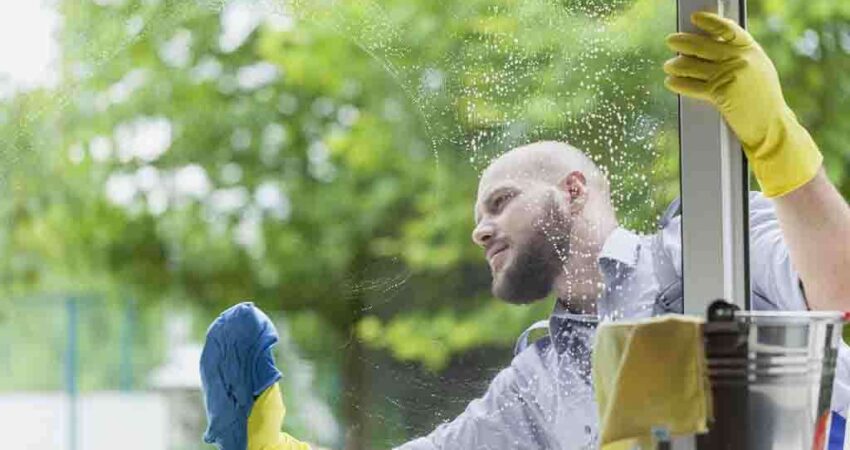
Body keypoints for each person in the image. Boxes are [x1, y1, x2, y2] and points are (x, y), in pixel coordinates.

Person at [200, 11, 850, 450]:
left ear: (573, 190)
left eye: (499, 202)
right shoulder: (543, 377)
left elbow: (839, 280)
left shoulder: (708, 238)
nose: (480, 231)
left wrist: (775, 137)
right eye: (478, 219)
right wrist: (271, 441)